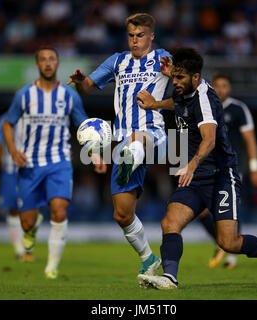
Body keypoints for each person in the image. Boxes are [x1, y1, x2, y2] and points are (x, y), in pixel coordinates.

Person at [136, 47, 257, 289]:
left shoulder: (205, 98)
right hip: (195, 177)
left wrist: (191, 164)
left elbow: (210, 140)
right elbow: (180, 103)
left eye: (179, 78)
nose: (174, 82)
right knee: (170, 223)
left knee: (229, 242)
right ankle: (169, 277)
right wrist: (157, 104)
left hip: (221, 176)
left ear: (195, 77)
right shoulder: (185, 89)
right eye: (173, 76)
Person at [68, 13, 171, 277]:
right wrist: (81, 82)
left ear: (151, 37)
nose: (134, 41)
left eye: (140, 36)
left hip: (153, 134)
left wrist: (171, 83)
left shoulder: (163, 58)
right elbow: (89, 87)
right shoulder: (117, 61)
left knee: (138, 141)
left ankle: (129, 156)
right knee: (122, 215)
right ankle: (148, 259)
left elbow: (189, 89)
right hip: (123, 139)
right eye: (131, 36)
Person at [2, 46, 106, 279]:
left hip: (59, 163)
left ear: (57, 64)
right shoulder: (24, 95)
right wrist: (13, 150)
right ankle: (32, 226)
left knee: (59, 212)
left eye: (52, 59)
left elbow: (84, 126)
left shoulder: (69, 95)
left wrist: (95, 153)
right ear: (37, 65)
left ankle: (51, 267)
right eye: (43, 60)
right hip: (29, 164)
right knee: (27, 223)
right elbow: (8, 124)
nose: (48, 63)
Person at [200, 73, 257, 269]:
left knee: (229, 211)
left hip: (231, 168)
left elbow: (250, 140)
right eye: (217, 86)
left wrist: (254, 168)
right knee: (201, 211)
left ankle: (231, 255)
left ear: (230, 88)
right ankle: (222, 243)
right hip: (207, 166)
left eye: (225, 86)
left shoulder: (238, 109)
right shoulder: (205, 106)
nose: (221, 90)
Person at [0, 113, 33, 262]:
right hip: (10, 171)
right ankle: (20, 250)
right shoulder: (4, 120)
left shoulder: (37, 117)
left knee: (32, 209)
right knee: (13, 210)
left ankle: (28, 247)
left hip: (32, 171)